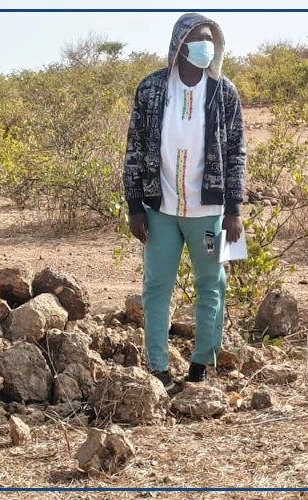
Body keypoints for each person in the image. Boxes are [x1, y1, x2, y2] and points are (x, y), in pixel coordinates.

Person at [122, 13, 246, 388]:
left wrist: (234, 210)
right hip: (160, 210)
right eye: (197, 37)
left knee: (213, 283)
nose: (205, 45)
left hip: (208, 213)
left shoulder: (224, 92)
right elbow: (135, 147)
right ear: (180, 43)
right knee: (157, 285)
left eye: (210, 38)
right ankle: (157, 367)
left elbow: (236, 151)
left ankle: (200, 365)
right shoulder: (152, 89)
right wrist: (133, 206)